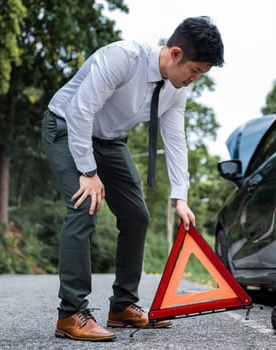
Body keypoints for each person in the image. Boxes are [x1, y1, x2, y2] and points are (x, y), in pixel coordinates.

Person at [41, 16, 224, 341]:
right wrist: (89, 172)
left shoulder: (176, 90)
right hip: (66, 126)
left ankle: (122, 306)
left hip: (109, 140)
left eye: (201, 75)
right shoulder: (123, 58)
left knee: (137, 215)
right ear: (176, 53)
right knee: (85, 206)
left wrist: (180, 196)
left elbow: (175, 139)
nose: (194, 80)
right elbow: (82, 110)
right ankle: (70, 314)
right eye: (194, 71)